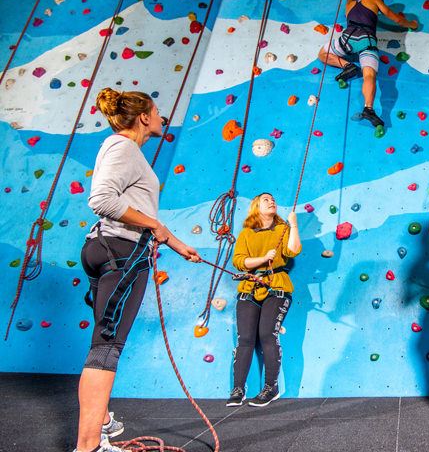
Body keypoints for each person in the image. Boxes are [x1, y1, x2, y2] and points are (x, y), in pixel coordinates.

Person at [76, 88, 201, 452]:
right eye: (158, 112)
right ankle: (88, 446)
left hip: (116, 249)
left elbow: (141, 214)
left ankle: (100, 423)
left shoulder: (126, 152)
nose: (162, 118)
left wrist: (176, 244)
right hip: (121, 251)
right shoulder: (124, 148)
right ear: (144, 117)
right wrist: (153, 227)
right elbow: (101, 199)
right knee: (106, 347)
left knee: (103, 343)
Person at [227, 193, 302, 407]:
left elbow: (293, 250)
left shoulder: (282, 229)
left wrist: (294, 225)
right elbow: (239, 261)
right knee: (245, 338)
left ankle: (271, 387)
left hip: (276, 286)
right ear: (256, 207)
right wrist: (262, 259)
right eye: (265, 199)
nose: (271, 201)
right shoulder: (246, 234)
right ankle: (238, 389)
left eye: (273, 199)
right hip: (250, 287)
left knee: (267, 334)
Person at [318, 0, 419, 128]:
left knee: (322, 54)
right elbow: (396, 19)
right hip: (367, 40)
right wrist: (412, 24)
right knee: (369, 76)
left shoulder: (350, 5)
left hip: (348, 38)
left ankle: (348, 66)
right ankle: (368, 108)